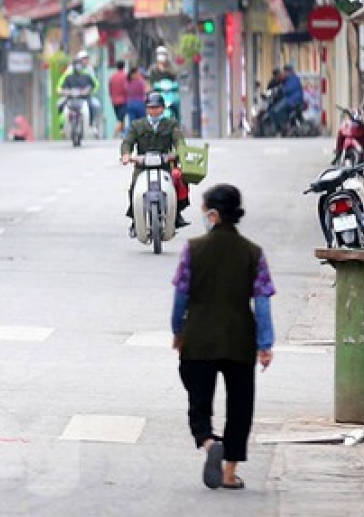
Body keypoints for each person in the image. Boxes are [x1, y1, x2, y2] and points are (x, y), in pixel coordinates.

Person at [171, 184, 275, 491]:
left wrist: (178, 331)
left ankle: (206, 441)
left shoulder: (193, 249)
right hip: (239, 340)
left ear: (213, 214)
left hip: (199, 339)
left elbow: (180, 297)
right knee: (240, 406)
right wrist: (265, 345)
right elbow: (263, 302)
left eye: (203, 210)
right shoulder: (253, 253)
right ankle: (230, 473)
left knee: (198, 402)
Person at [121, 92, 190, 230]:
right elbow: (127, 142)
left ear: (163, 108)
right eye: (151, 107)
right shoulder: (137, 125)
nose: (154, 110)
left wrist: (180, 152)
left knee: (179, 183)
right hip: (143, 166)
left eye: (157, 107)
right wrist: (126, 155)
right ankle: (136, 218)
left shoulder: (171, 124)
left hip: (165, 165)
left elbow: (179, 140)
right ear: (146, 109)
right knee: (134, 188)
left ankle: (177, 214)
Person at [57, 51, 101, 135]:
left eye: (85, 59)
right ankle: (61, 127)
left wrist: (89, 90)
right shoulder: (68, 74)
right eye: (82, 59)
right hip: (70, 97)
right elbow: (60, 85)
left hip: (85, 97)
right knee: (59, 104)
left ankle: (92, 125)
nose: (79, 65)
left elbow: (95, 84)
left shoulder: (88, 73)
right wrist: (62, 91)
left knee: (95, 105)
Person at [268, 65, 303, 134]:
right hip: (289, 99)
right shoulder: (287, 80)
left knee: (277, 110)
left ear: (289, 72)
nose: (284, 73)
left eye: (285, 72)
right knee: (273, 110)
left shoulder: (293, 79)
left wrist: (280, 89)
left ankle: (284, 125)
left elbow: (287, 89)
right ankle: (280, 127)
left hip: (293, 100)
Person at [125, 67, 148, 134]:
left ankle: (132, 136)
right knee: (142, 122)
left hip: (130, 104)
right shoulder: (140, 82)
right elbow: (145, 91)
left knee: (132, 122)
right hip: (139, 104)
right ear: (134, 74)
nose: (139, 74)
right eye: (138, 73)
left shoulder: (127, 83)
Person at [108, 61, 129, 138]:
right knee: (121, 119)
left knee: (120, 118)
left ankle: (121, 135)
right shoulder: (125, 76)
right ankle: (115, 135)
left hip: (114, 101)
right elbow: (127, 88)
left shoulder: (113, 77)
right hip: (123, 100)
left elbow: (110, 88)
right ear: (123, 67)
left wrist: (112, 97)